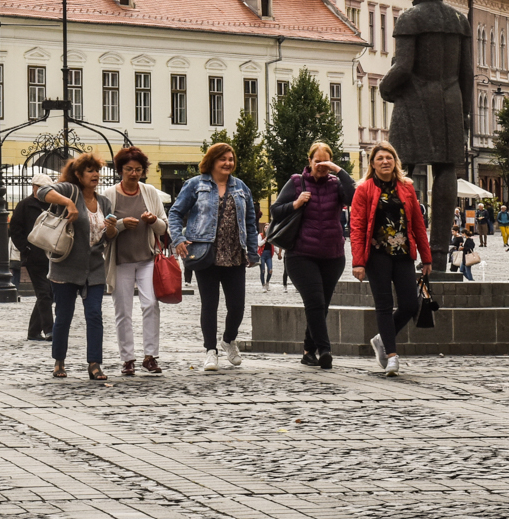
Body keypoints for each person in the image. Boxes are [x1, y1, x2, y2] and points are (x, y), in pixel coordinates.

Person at [168, 141, 259, 372]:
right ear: (212, 161)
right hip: (205, 254)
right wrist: (178, 239)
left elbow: (250, 221)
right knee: (210, 304)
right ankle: (210, 351)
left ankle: (228, 340)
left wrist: (251, 251)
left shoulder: (241, 187)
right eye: (223, 159)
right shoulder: (195, 185)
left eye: (231, 159)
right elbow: (176, 212)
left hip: (234, 255)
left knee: (237, 306)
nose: (228, 163)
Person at [350, 139, 432, 376]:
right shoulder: (364, 190)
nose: (385, 162)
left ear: (395, 161)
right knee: (384, 305)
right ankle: (392, 356)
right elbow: (356, 227)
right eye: (380, 159)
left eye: (389, 158)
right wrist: (358, 262)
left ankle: (381, 339)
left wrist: (426, 257)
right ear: (373, 164)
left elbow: (417, 222)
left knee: (409, 304)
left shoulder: (406, 187)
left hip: (404, 253)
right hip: (377, 255)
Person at [273, 141, 354, 371]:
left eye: (326, 162)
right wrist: (296, 204)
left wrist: (340, 171)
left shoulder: (336, 184)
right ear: (309, 161)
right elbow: (276, 210)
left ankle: (308, 351)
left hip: (332, 255)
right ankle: (324, 350)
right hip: (301, 255)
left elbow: (353, 198)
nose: (321, 166)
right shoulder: (296, 182)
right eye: (317, 161)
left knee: (322, 305)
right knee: (315, 302)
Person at [38, 152, 118, 380]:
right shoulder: (69, 190)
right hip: (66, 267)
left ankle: (94, 364)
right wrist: (68, 203)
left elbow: (108, 237)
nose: (95, 175)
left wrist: (112, 227)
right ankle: (59, 362)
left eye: (97, 171)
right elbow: (43, 191)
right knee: (64, 315)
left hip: (94, 269)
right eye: (90, 171)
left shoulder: (104, 202)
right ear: (78, 175)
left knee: (94, 314)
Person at [100, 145, 169, 377]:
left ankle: (150, 356)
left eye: (138, 169)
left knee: (150, 304)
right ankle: (127, 358)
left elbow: (163, 227)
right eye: (129, 169)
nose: (134, 173)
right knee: (123, 310)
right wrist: (120, 225)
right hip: (120, 261)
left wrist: (152, 220)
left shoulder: (149, 192)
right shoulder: (109, 195)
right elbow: (104, 232)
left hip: (147, 258)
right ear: (120, 170)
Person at [6, 186, 54, 342]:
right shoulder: (25, 205)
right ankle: (49, 330)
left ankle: (33, 331)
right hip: (34, 258)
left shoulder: (53, 204)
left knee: (47, 294)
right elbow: (14, 229)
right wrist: (25, 249)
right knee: (44, 293)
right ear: (34, 188)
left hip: (51, 256)